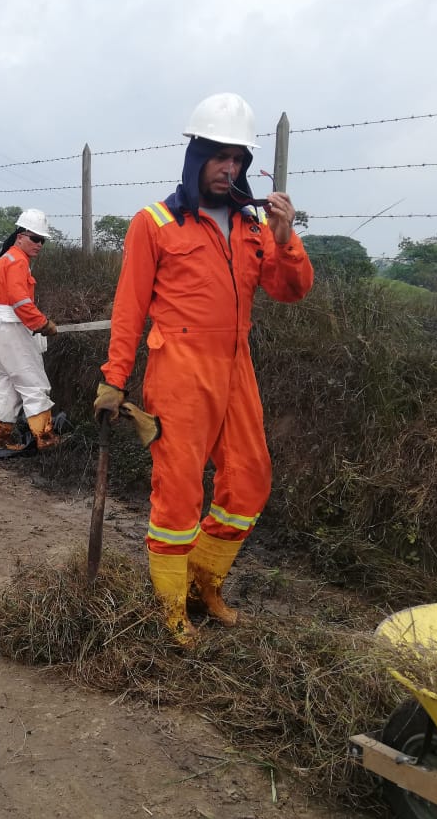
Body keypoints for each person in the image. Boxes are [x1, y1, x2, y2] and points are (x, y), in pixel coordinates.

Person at [93, 92, 313, 646]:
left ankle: (201, 584)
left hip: (237, 367)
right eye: (219, 156)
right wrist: (114, 381)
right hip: (180, 370)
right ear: (196, 156)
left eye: (238, 159)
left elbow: (291, 291)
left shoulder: (253, 226)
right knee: (179, 492)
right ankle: (170, 608)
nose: (230, 168)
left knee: (249, 480)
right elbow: (129, 309)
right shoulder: (155, 222)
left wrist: (286, 240)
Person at [0, 208, 62, 451]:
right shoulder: (17, 262)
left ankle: (0, 437)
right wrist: (42, 323)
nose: (39, 244)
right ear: (20, 235)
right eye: (35, 238)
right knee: (33, 383)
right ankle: (46, 439)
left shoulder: (8, 259)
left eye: (42, 240)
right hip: (11, 329)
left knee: (7, 384)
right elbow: (20, 299)